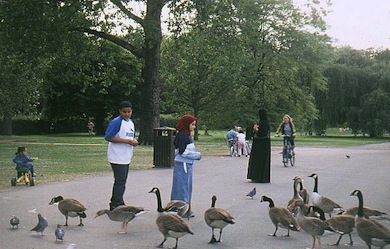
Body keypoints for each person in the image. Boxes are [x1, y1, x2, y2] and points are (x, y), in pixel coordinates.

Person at [105, 101, 139, 211]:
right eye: (124, 112)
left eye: (129, 112)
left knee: (122, 181)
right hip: (116, 156)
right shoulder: (116, 122)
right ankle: (116, 204)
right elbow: (108, 137)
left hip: (126, 156)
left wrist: (134, 142)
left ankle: (117, 200)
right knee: (120, 181)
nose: (127, 114)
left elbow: (131, 137)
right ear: (120, 111)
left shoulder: (131, 123)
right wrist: (126, 141)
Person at [170, 114, 201, 218]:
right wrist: (197, 155)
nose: (194, 127)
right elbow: (182, 152)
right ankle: (180, 210)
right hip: (183, 164)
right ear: (186, 125)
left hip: (187, 164)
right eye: (192, 124)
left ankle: (185, 209)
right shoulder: (183, 136)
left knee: (186, 187)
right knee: (182, 188)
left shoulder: (186, 135)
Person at [247, 109, 271, 183]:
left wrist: (256, 129)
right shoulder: (266, 122)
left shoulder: (263, 123)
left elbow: (262, 133)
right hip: (265, 145)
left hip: (260, 145)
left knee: (258, 160)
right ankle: (261, 177)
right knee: (263, 161)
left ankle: (257, 176)